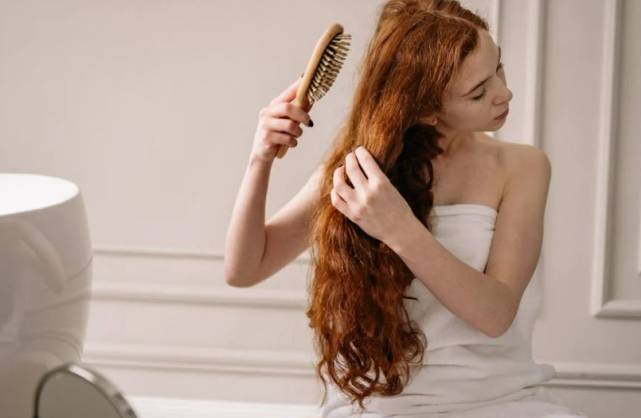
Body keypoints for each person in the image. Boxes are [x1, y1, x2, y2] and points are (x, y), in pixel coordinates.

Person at [225, 0, 590, 417]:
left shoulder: (523, 167)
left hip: (500, 400)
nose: (505, 93)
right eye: (478, 92)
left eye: (499, 68)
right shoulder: (358, 175)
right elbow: (244, 270)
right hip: (380, 406)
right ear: (427, 110)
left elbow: (495, 314)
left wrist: (399, 229)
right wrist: (260, 159)